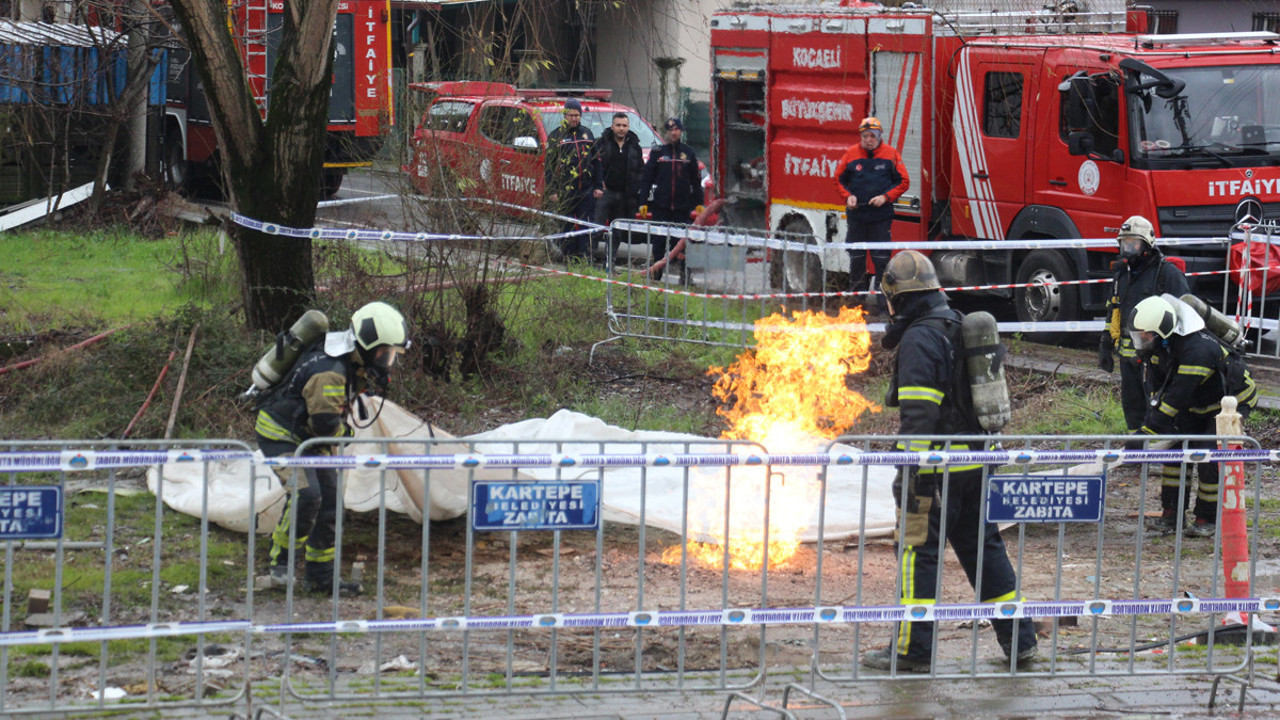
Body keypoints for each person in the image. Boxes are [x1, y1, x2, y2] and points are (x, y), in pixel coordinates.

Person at [862, 250, 1037, 673]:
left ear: (898, 297)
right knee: (985, 552)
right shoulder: (958, 325)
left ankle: (911, 651)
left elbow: (920, 414)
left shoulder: (921, 337)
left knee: (917, 556)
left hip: (933, 475)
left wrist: (913, 473)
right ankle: (1021, 642)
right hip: (974, 468)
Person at [256, 302, 411, 596]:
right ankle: (281, 564)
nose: (387, 360)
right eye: (384, 353)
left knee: (330, 501)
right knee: (306, 494)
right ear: (366, 346)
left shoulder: (349, 359)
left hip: (311, 439)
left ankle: (321, 577)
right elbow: (326, 426)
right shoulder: (331, 373)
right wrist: (346, 432)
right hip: (281, 438)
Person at [1129, 295, 1257, 537]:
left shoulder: (1197, 351)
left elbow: (1176, 397)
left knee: (1208, 453)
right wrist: (1150, 428)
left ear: (1162, 330)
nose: (1141, 339)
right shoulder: (1159, 348)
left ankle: (1207, 519)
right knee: (1175, 452)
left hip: (1230, 402)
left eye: (1145, 334)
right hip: (1197, 402)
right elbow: (1159, 395)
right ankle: (1172, 516)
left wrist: (1146, 434)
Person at [1098, 215, 1189, 432]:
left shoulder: (1166, 274)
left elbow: (1183, 313)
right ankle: (1136, 450)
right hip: (1127, 359)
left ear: (1147, 245)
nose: (1128, 250)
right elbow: (1114, 309)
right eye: (1124, 243)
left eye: (1133, 244)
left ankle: (1157, 449)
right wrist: (1105, 343)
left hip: (1154, 359)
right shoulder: (1122, 276)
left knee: (1155, 406)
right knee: (1132, 407)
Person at [834, 117, 909, 302]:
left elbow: (904, 181)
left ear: (879, 135)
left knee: (881, 261)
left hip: (881, 217)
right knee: (857, 260)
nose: (868, 139)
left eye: (872, 136)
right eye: (865, 136)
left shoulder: (891, 154)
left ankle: (884, 305)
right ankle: (856, 305)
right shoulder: (851, 154)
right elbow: (838, 180)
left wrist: (885, 197)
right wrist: (848, 196)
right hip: (857, 216)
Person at [637, 117, 702, 279]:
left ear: (681, 131)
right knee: (658, 245)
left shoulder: (688, 153)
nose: (673, 133)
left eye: (676, 130)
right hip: (661, 207)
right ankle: (655, 277)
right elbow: (646, 179)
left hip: (681, 208)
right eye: (670, 130)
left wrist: (699, 203)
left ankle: (685, 278)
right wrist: (643, 202)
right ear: (666, 132)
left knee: (681, 245)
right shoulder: (658, 152)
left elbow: (696, 180)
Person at [544, 98, 596, 261]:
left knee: (584, 225)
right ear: (565, 115)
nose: (574, 118)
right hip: (565, 190)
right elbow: (550, 167)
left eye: (577, 115)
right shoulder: (556, 136)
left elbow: (596, 161)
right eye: (571, 115)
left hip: (586, 190)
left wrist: (598, 184)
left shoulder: (587, 134)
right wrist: (552, 191)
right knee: (566, 225)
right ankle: (567, 256)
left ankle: (584, 258)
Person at [590, 111, 645, 262]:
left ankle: (610, 262)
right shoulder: (601, 144)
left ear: (628, 127)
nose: (621, 128)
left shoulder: (635, 146)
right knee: (596, 228)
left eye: (624, 125)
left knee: (617, 233)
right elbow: (592, 165)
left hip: (624, 196)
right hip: (605, 193)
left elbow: (641, 170)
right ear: (612, 126)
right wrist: (598, 182)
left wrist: (635, 187)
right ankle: (589, 260)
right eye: (618, 125)